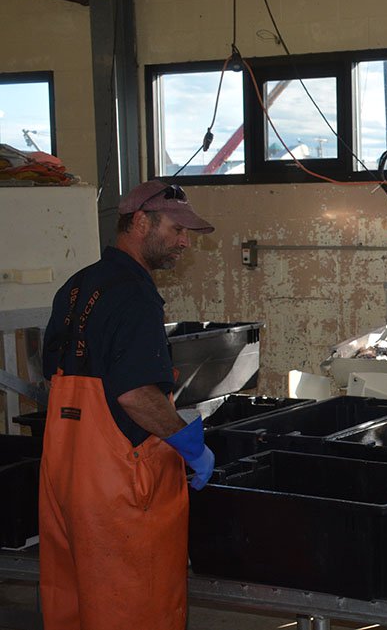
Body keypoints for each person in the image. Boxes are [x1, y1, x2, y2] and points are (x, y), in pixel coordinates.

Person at [39, 180, 216, 630]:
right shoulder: (135, 296)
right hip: (121, 491)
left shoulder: (76, 287)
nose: (183, 242)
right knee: (136, 608)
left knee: (74, 604)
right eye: (176, 229)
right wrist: (189, 444)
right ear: (140, 222)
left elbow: (55, 378)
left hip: (66, 476)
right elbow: (135, 394)